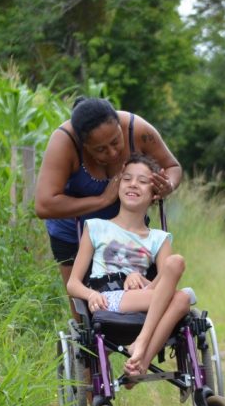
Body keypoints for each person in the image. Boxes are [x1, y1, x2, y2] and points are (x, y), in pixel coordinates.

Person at [35, 97, 182, 293]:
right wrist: (102, 200)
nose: (112, 153)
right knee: (85, 311)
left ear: (120, 127)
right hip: (74, 234)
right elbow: (44, 205)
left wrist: (168, 185)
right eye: (100, 149)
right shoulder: (64, 142)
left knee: (138, 293)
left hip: (129, 230)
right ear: (83, 145)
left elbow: (172, 166)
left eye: (115, 142)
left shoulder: (136, 130)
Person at [66, 153, 190, 379]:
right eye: (127, 179)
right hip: (109, 298)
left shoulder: (159, 238)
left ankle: (138, 360)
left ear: (154, 194)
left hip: (143, 298)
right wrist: (91, 294)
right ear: (118, 185)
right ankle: (141, 350)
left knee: (176, 267)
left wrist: (140, 278)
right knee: (182, 298)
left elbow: (163, 281)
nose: (133, 184)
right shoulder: (96, 227)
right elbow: (72, 283)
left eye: (143, 182)